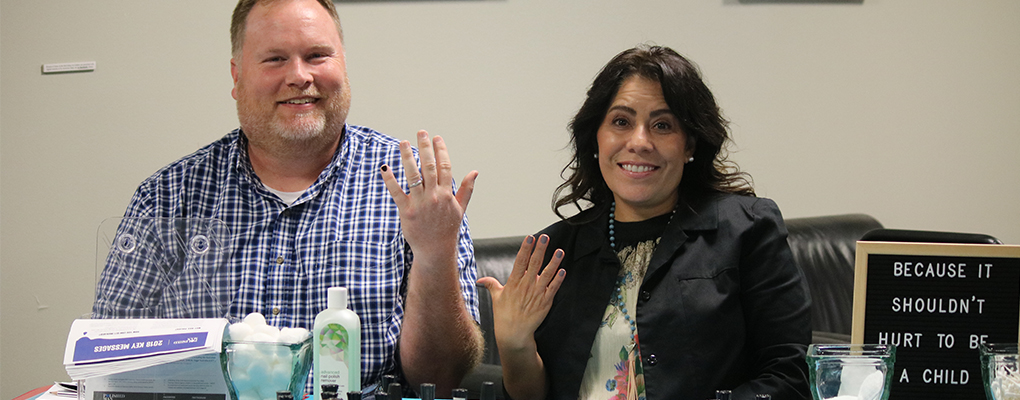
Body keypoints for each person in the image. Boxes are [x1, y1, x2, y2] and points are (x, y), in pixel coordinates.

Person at [91, 0, 483, 396]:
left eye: (317, 56)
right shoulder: (165, 199)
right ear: (237, 76)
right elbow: (109, 367)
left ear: (343, 64)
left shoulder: (415, 193)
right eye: (275, 59)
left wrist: (434, 257)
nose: (299, 76)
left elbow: (442, 377)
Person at [479, 45, 811, 400]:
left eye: (662, 125)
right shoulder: (555, 253)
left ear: (690, 144)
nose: (639, 142)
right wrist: (515, 345)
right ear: (596, 138)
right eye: (621, 122)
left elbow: (788, 376)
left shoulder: (747, 229)